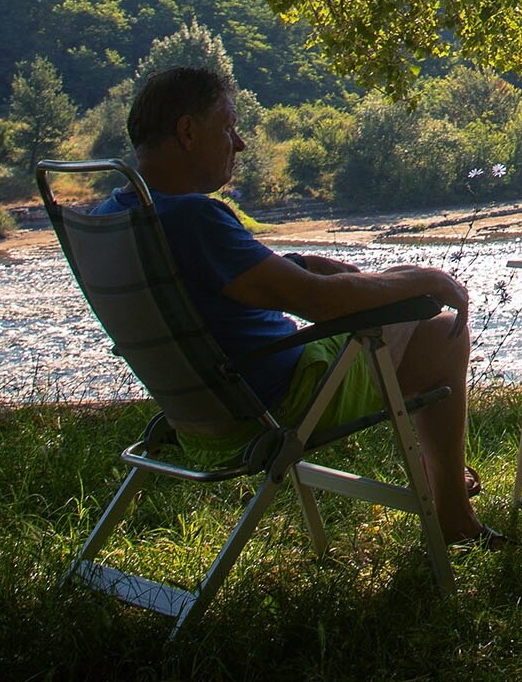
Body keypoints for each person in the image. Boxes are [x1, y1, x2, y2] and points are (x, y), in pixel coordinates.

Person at [110, 63, 487, 542]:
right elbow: (325, 304)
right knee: (440, 331)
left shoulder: (118, 214)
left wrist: (297, 261)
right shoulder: (195, 218)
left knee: (390, 294)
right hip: (278, 405)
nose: (240, 143)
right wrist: (424, 279)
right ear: (187, 131)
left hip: (195, 415)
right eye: (228, 128)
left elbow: (214, 278)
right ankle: (453, 513)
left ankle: (450, 492)